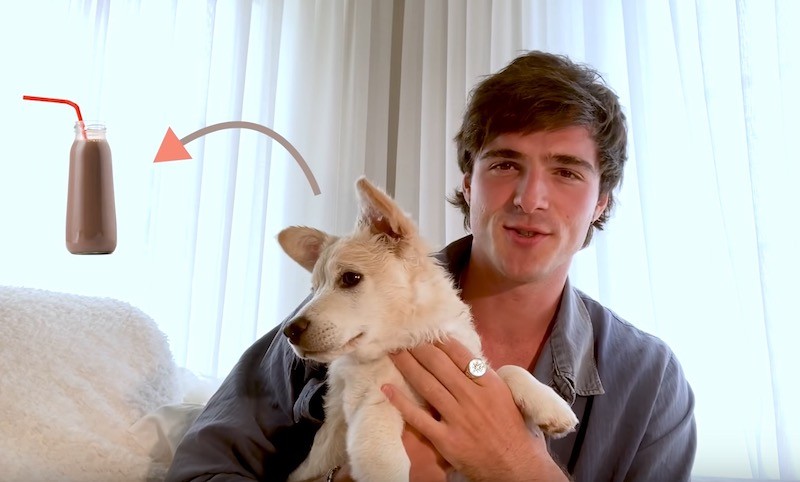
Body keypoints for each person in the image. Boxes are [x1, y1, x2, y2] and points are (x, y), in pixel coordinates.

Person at [166, 50, 697, 482]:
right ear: (468, 182)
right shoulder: (336, 315)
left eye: (567, 172)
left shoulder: (650, 383)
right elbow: (200, 472)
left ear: (601, 202)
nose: (530, 198)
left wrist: (519, 466)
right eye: (505, 163)